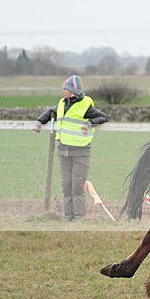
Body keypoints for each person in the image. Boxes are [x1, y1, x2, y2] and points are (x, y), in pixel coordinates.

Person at [32, 75, 108, 221]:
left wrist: (89, 124)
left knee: (77, 187)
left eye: (65, 89)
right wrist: (39, 124)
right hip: (63, 151)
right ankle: (68, 217)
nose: (63, 91)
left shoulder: (85, 105)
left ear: (73, 91)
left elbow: (103, 117)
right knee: (66, 186)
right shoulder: (62, 104)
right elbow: (49, 113)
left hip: (80, 152)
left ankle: (79, 217)